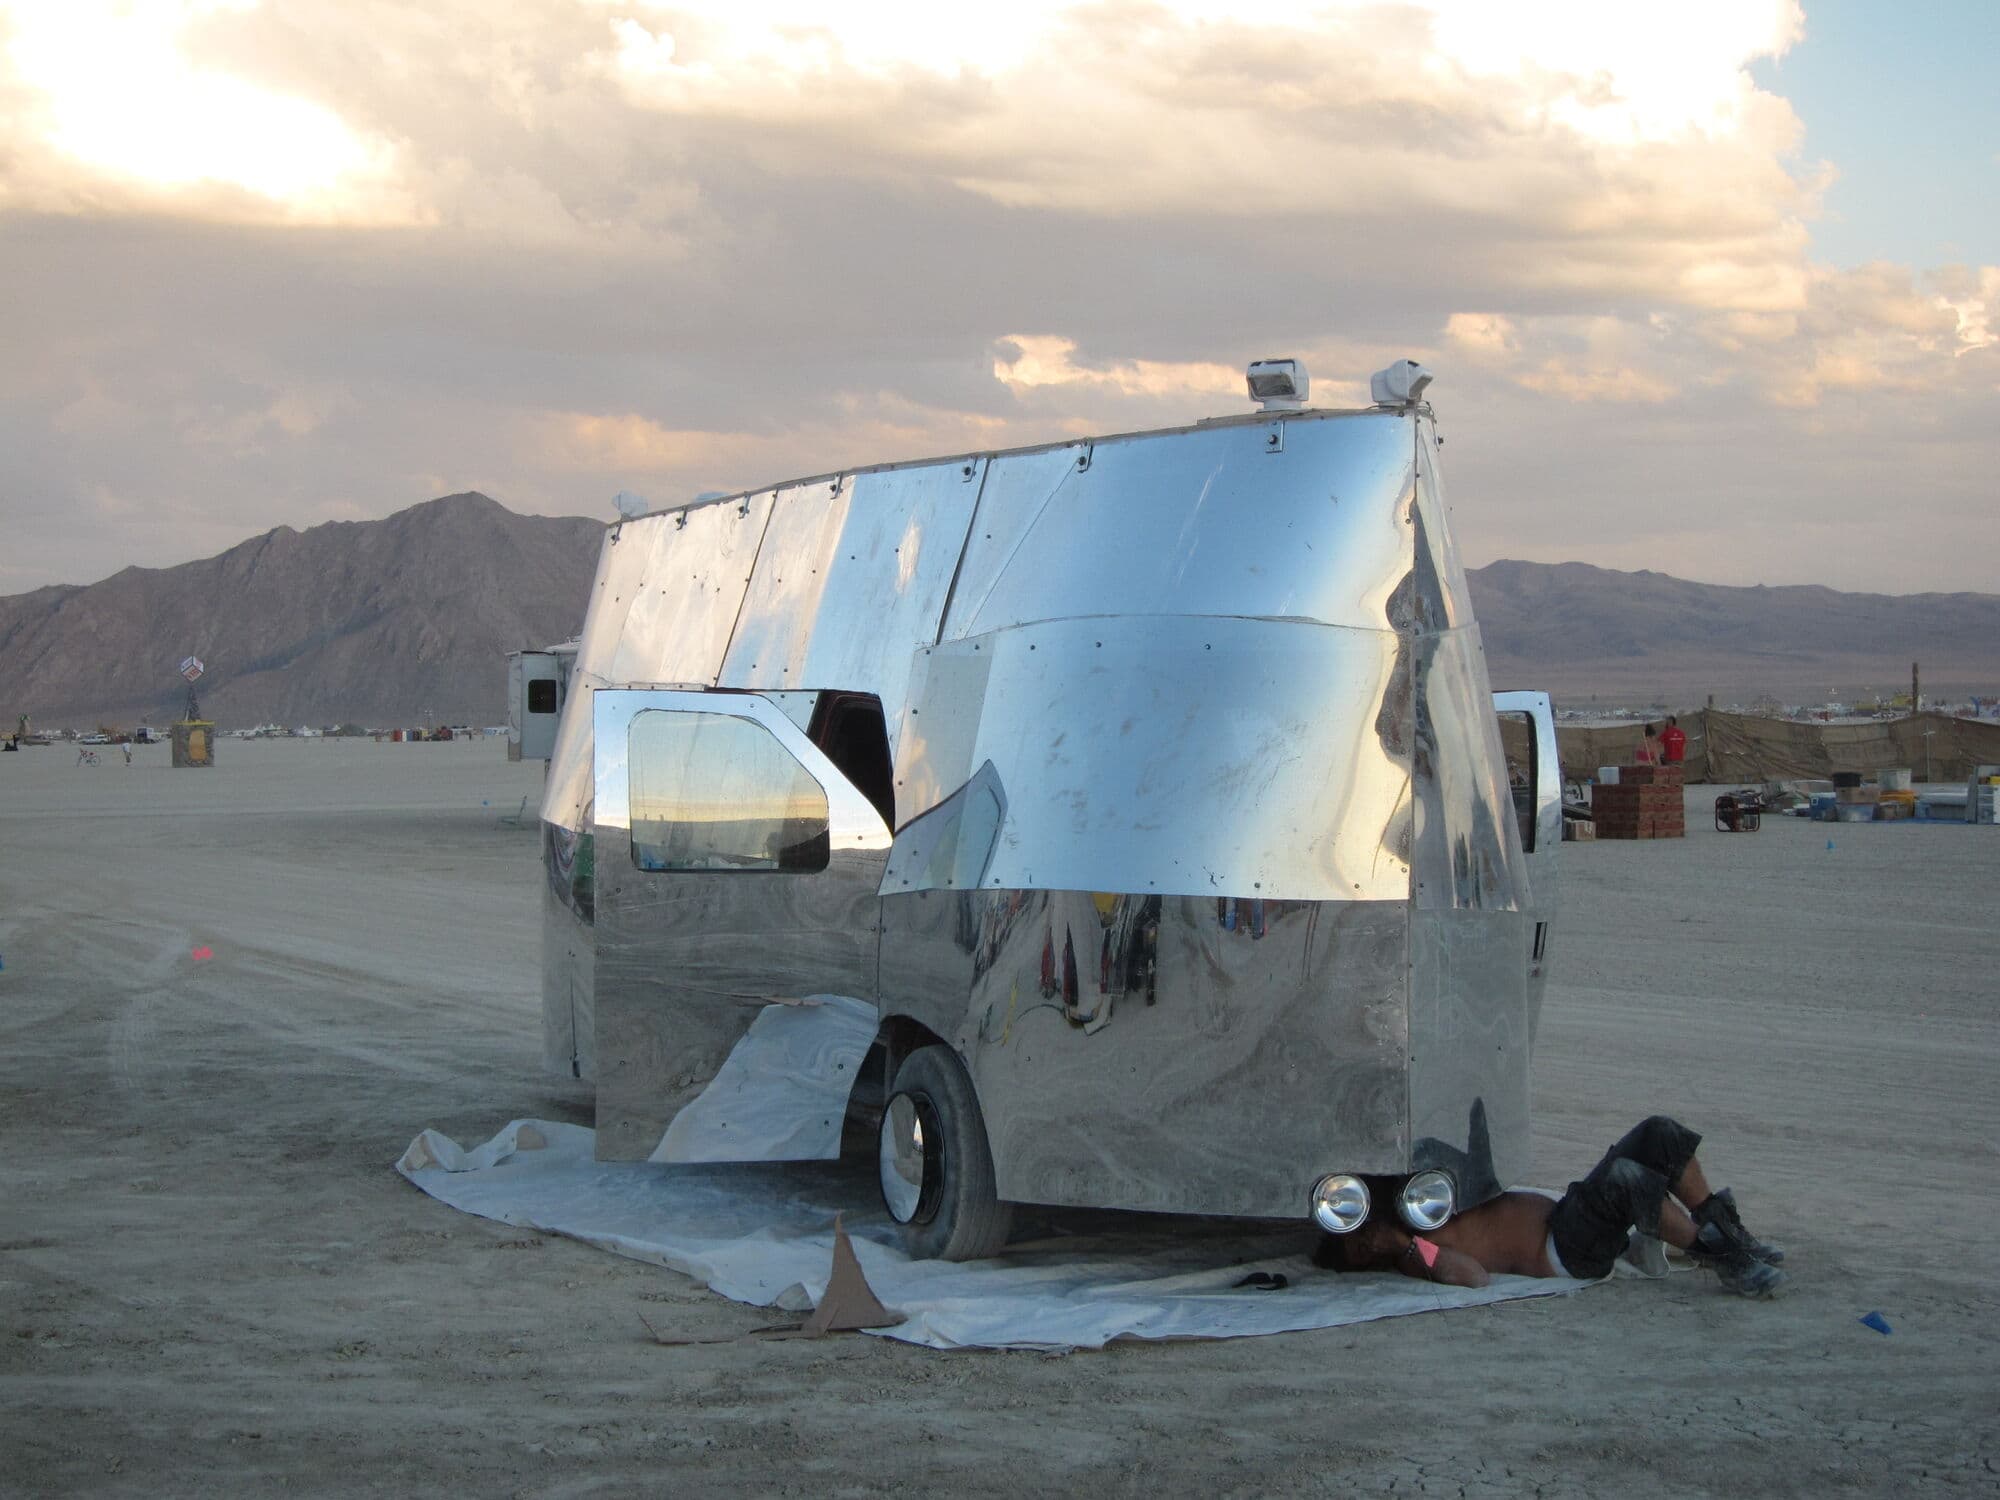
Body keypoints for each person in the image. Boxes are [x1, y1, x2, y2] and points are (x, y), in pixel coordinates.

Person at [1315, 1116, 1788, 1299]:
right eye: (1358, 1249)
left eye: (1357, 1233)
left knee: (1657, 1134)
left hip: (1567, 1216)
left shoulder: (1415, 1203)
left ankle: (1731, 1235)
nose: (1365, 1238)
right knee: (1627, 1180)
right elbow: (1474, 1277)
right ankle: (1725, 1260)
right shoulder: (1413, 1256)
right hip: (1564, 1251)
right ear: (1363, 1263)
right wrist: (1404, 1243)